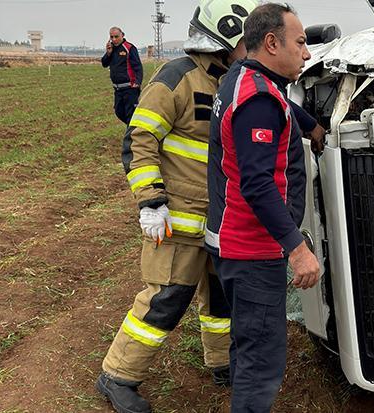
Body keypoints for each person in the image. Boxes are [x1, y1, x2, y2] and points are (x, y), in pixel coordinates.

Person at [94, 2, 260, 413]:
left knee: (220, 299)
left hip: (219, 219)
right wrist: (151, 201)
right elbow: (140, 139)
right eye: (247, 41)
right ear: (224, 39)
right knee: (165, 299)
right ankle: (117, 376)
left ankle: (221, 364)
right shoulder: (177, 78)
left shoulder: (235, 81)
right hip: (177, 220)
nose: (252, 50)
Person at [207, 3, 320, 412]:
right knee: (262, 362)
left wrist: (309, 124)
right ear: (272, 43)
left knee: (247, 341)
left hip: (230, 242)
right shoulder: (258, 98)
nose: (307, 53)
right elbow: (257, 183)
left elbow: (280, 107)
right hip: (253, 250)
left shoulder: (240, 78)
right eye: (301, 42)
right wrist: (297, 246)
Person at [101, 27, 143, 124]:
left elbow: (138, 67)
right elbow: (104, 64)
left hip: (130, 88)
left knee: (130, 114)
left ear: (122, 35)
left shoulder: (129, 48)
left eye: (116, 36)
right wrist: (108, 53)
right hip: (118, 89)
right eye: (112, 37)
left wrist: (138, 82)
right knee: (119, 112)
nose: (114, 39)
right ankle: (136, 127)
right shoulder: (111, 49)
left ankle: (130, 137)